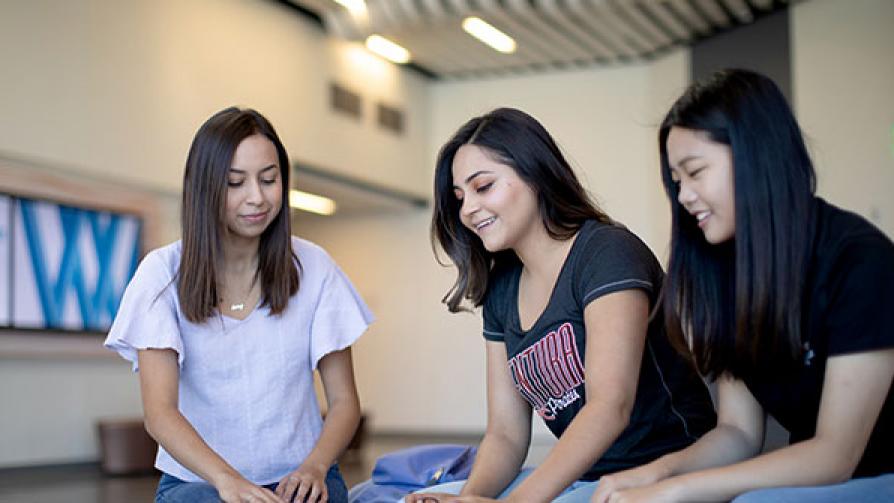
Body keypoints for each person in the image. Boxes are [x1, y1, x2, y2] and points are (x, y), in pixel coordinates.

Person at [591, 69, 894, 503]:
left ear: (758, 157)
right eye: (676, 181)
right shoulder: (726, 272)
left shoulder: (859, 261)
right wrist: (652, 475)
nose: (684, 196)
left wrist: (678, 490)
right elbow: (737, 431)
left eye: (695, 173)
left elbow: (836, 454)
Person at [410, 108, 716, 503]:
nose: (467, 209)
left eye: (483, 187)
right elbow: (506, 432)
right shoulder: (502, 287)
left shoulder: (606, 253)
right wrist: (470, 498)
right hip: (585, 480)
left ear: (536, 174)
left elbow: (610, 406)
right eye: (459, 197)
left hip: (662, 473)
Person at [105, 107, 373, 503]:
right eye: (235, 183)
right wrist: (228, 481)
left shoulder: (314, 266)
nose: (257, 198)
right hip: (201, 484)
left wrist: (315, 466)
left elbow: (345, 402)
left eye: (269, 179)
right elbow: (160, 414)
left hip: (300, 477)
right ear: (205, 187)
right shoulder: (161, 275)